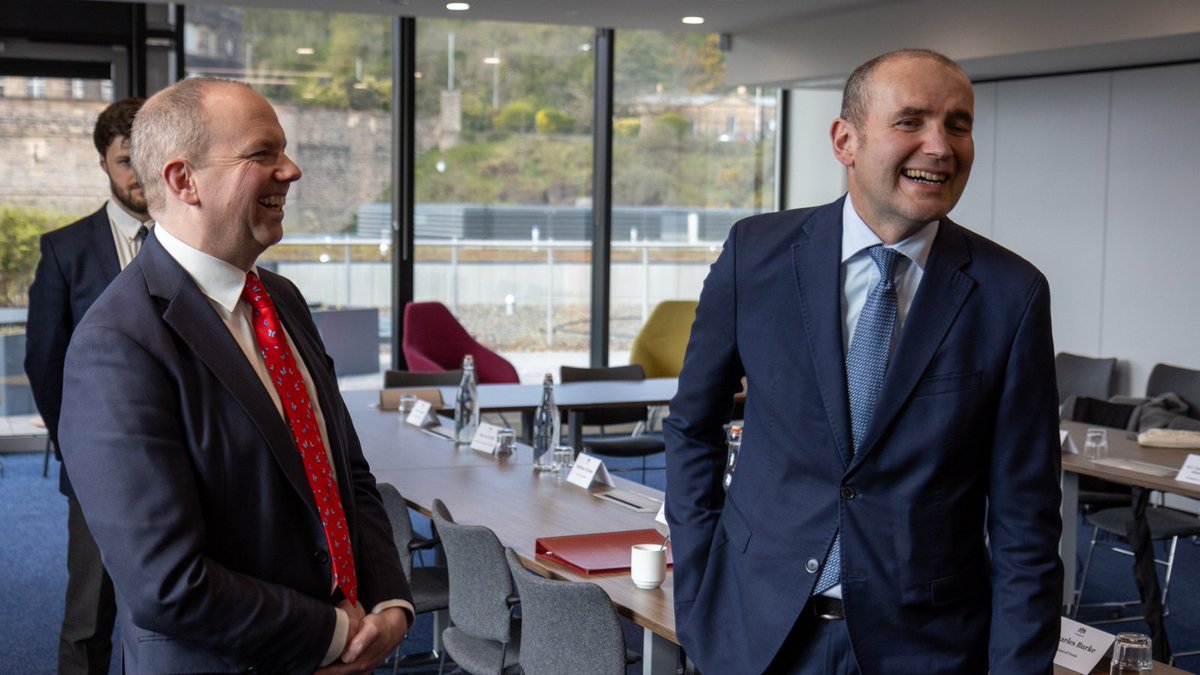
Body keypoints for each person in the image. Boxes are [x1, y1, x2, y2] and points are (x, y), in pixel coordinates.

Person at [664, 49, 1063, 674]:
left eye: (958, 124)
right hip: (755, 632)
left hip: (926, 647)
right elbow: (692, 427)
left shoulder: (1011, 294)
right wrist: (696, 592)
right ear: (845, 140)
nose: (940, 146)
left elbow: (1027, 519)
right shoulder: (755, 256)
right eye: (911, 121)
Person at [56, 77, 412, 674]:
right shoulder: (116, 343)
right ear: (182, 180)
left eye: (285, 150)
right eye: (262, 153)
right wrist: (332, 633)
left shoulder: (283, 300)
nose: (292, 170)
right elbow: (168, 583)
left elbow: (344, 472)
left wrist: (390, 604)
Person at [25, 97, 153, 675]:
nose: (139, 174)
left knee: (187, 613)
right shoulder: (65, 250)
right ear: (103, 162)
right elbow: (43, 364)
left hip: (193, 460)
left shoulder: (198, 242)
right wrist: (76, 448)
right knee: (89, 619)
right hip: (100, 463)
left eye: (149, 157)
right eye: (127, 159)